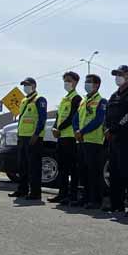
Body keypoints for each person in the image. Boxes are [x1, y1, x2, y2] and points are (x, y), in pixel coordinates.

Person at [104, 65, 128, 215]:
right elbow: (107, 114)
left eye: (120, 74)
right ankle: (116, 204)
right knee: (114, 172)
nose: (117, 77)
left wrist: (114, 129)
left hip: (127, 138)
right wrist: (107, 129)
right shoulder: (114, 95)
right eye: (116, 74)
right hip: (113, 139)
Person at [9, 77, 47, 202]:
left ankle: (35, 192)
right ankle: (22, 189)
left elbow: (42, 119)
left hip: (34, 138)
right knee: (22, 166)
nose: (25, 87)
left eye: (28, 84)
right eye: (24, 85)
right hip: (22, 137)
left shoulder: (39, 99)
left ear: (34, 86)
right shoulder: (24, 100)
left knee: (34, 166)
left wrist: (36, 134)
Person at [74, 74, 108, 211]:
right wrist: (77, 130)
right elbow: (76, 118)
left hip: (94, 141)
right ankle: (85, 197)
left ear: (97, 85)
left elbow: (98, 120)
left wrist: (82, 131)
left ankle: (96, 200)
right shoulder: (83, 101)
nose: (87, 84)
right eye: (86, 81)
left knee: (94, 172)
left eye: (90, 82)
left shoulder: (101, 101)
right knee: (83, 171)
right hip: (81, 141)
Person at [49, 71, 83, 204]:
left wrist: (60, 128)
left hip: (70, 137)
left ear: (75, 82)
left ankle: (72, 195)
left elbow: (72, 117)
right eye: (65, 80)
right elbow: (60, 116)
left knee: (72, 168)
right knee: (62, 167)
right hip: (61, 137)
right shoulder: (65, 98)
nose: (66, 83)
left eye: (69, 80)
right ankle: (62, 194)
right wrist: (54, 127)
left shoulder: (77, 98)